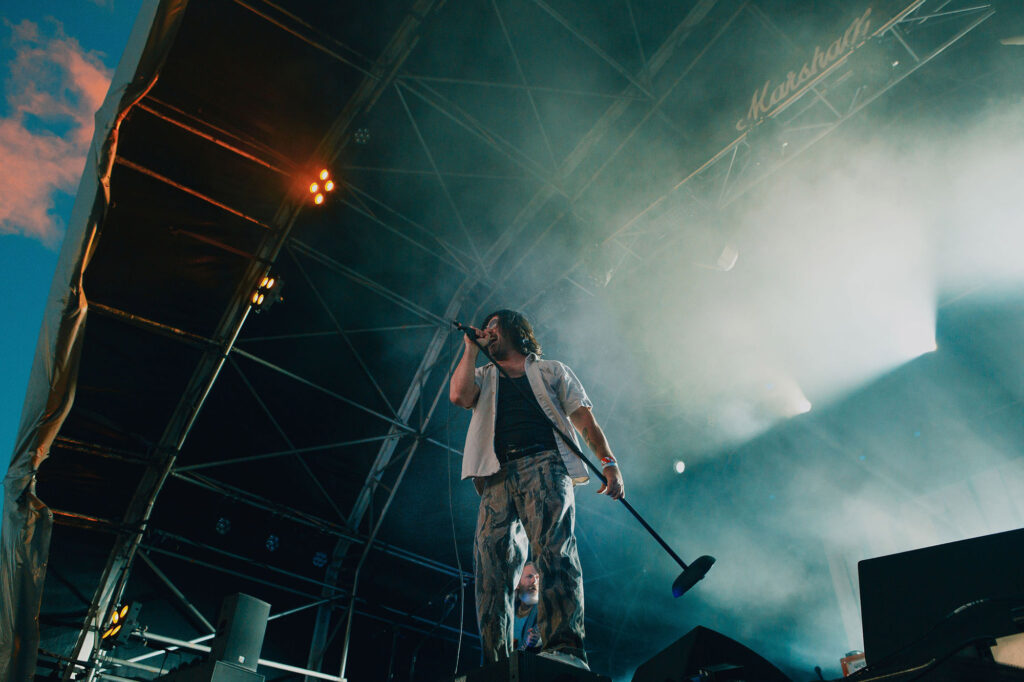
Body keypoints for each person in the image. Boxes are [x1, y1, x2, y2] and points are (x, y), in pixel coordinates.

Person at [449, 309, 624, 670]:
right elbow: (459, 396)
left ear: (515, 330)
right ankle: (496, 663)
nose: (488, 331)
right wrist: (470, 347)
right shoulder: (482, 374)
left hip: (545, 463)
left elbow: (584, 418)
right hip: (495, 474)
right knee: (491, 568)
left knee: (554, 553)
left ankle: (566, 649)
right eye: (487, 327)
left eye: (495, 326)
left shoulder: (551, 370)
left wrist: (608, 463)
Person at [514, 562, 541, 652]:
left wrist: (539, 641)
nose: (535, 581)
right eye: (530, 576)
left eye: (537, 578)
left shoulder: (543, 612)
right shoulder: (509, 611)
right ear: (517, 583)